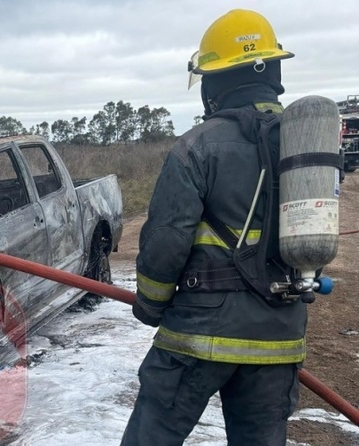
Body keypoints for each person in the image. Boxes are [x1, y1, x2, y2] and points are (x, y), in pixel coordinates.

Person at [121, 10, 306, 445]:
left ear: (217, 82)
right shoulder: (303, 148)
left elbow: (166, 242)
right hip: (278, 341)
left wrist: (149, 305)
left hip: (198, 338)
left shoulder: (197, 147)